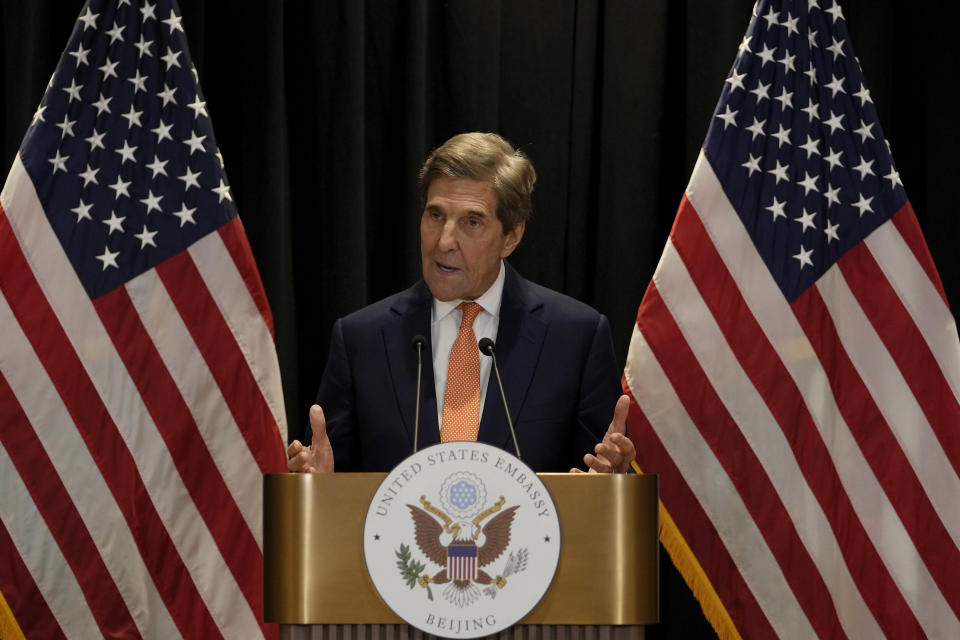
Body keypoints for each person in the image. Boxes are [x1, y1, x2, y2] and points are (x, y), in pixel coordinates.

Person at [287, 132, 634, 474]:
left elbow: (602, 482)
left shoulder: (575, 337)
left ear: (511, 237)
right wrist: (315, 484)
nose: (444, 241)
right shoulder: (361, 339)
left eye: (471, 222)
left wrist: (611, 483)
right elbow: (328, 479)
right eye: (435, 215)